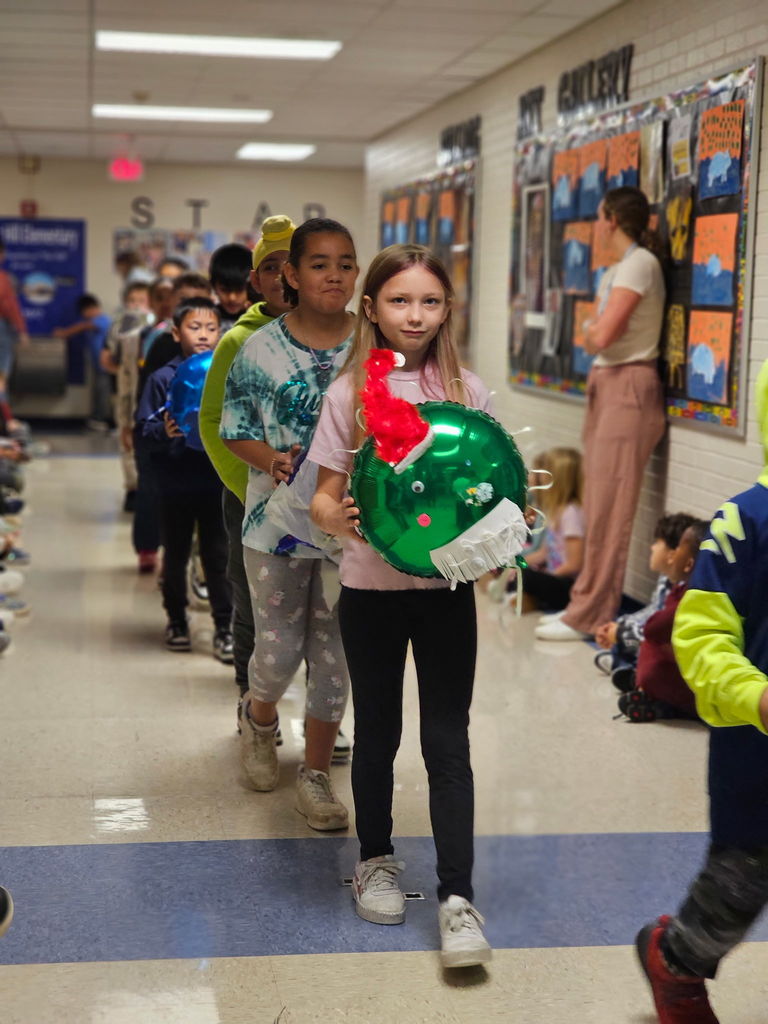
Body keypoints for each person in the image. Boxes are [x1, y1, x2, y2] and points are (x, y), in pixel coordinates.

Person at [309, 243, 493, 968]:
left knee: (448, 742)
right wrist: (340, 518)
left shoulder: (467, 394)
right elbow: (323, 500)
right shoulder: (348, 395)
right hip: (370, 594)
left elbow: (488, 493)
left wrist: (504, 529)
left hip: (447, 594)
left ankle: (458, 898)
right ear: (372, 308)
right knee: (378, 733)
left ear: (447, 310)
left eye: (429, 301)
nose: (414, 315)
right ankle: (375, 859)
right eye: (399, 300)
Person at [635, 362, 768, 1022]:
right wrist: (755, 696)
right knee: (737, 888)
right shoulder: (745, 522)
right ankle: (676, 961)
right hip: (757, 753)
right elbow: (702, 637)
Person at [219, 217, 357, 830]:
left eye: (345, 264)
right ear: (292, 275)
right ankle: (259, 719)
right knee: (276, 652)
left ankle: (316, 775)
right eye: (319, 264)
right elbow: (235, 429)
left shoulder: (373, 346)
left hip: (350, 529)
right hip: (273, 526)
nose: (334, 275)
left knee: (334, 657)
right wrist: (271, 460)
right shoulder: (259, 348)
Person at [536, 186, 666, 642]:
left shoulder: (639, 264)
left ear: (611, 219)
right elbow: (592, 333)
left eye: (598, 217)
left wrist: (592, 332)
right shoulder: (617, 269)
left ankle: (590, 615)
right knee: (597, 502)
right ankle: (581, 605)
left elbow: (600, 335)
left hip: (628, 383)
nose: (596, 225)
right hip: (608, 381)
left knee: (612, 507)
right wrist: (592, 333)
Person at [200, 216, 296, 703]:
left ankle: (320, 710)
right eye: (270, 267)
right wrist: (251, 488)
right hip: (250, 497)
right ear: (255, 280)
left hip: (318, 498)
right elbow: (213, 421)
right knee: (254, 603)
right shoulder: (239, 341)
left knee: (319, 606)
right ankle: (252, 703)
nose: (282, 276)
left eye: (292, 263)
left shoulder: (333, 337)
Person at [136, 297, 233, 658]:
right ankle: (176, 620)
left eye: (211, 328)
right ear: (177, 333)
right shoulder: (162, 378)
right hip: (173, 481)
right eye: (195, 327)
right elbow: (142, 429)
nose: (204, 335)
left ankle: (224, 626)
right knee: (175, 555)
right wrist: (163, 431)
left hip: (215, 481)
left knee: (218, 556)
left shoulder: (226, 374)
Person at [594, 512, 697, 690]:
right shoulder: (666, 579)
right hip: (654, 637)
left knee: (638, 645)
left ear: (672, 554)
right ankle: (630, 670)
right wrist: (619, 625)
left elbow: (659, 629)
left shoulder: (685, 590)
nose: (652, 547)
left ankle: (636, 676)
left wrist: (621, 634)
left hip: (672, 649)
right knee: (623, 640)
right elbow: (652, 611)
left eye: (657, 543)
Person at [617, 520, 707, 722]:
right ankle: (641, 683)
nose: (673, 555)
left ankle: (661, 703)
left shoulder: (690, 597)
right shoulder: (680, 588)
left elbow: (652, 628)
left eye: (679, 549)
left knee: (651, 647)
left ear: (689, 564)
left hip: (692, 688)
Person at [515, 446, 584, 612]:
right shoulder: (556, 510)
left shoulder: (571, 513)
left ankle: (531, 599)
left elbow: (574, 564)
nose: (537, 477)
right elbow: (544, 552)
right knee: (518, 571)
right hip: (554, 575)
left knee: (527, 578)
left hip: (569, 585)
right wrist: (517, 565)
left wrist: (547, 576)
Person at [54, 294, 113, 430]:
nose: (84, 316)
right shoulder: (93, 321)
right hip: (98, 366)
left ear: (91, 308)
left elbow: (84, 326)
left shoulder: (103, 320)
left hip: (105, 366)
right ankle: (97, 417)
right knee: (98, 392)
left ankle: (102, 419)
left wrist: (65, 333)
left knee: (103, 393)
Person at [0, 240, 29, 409]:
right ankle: (5, 418)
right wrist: (22, 330)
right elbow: (8, 305)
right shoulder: (2, 278)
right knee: (1, 375)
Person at [208, 243, 252, 333]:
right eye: (224, 290)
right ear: (213, 286)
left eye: (239, 290)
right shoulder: (206, 318)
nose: (232, 298)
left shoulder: (263, 320)